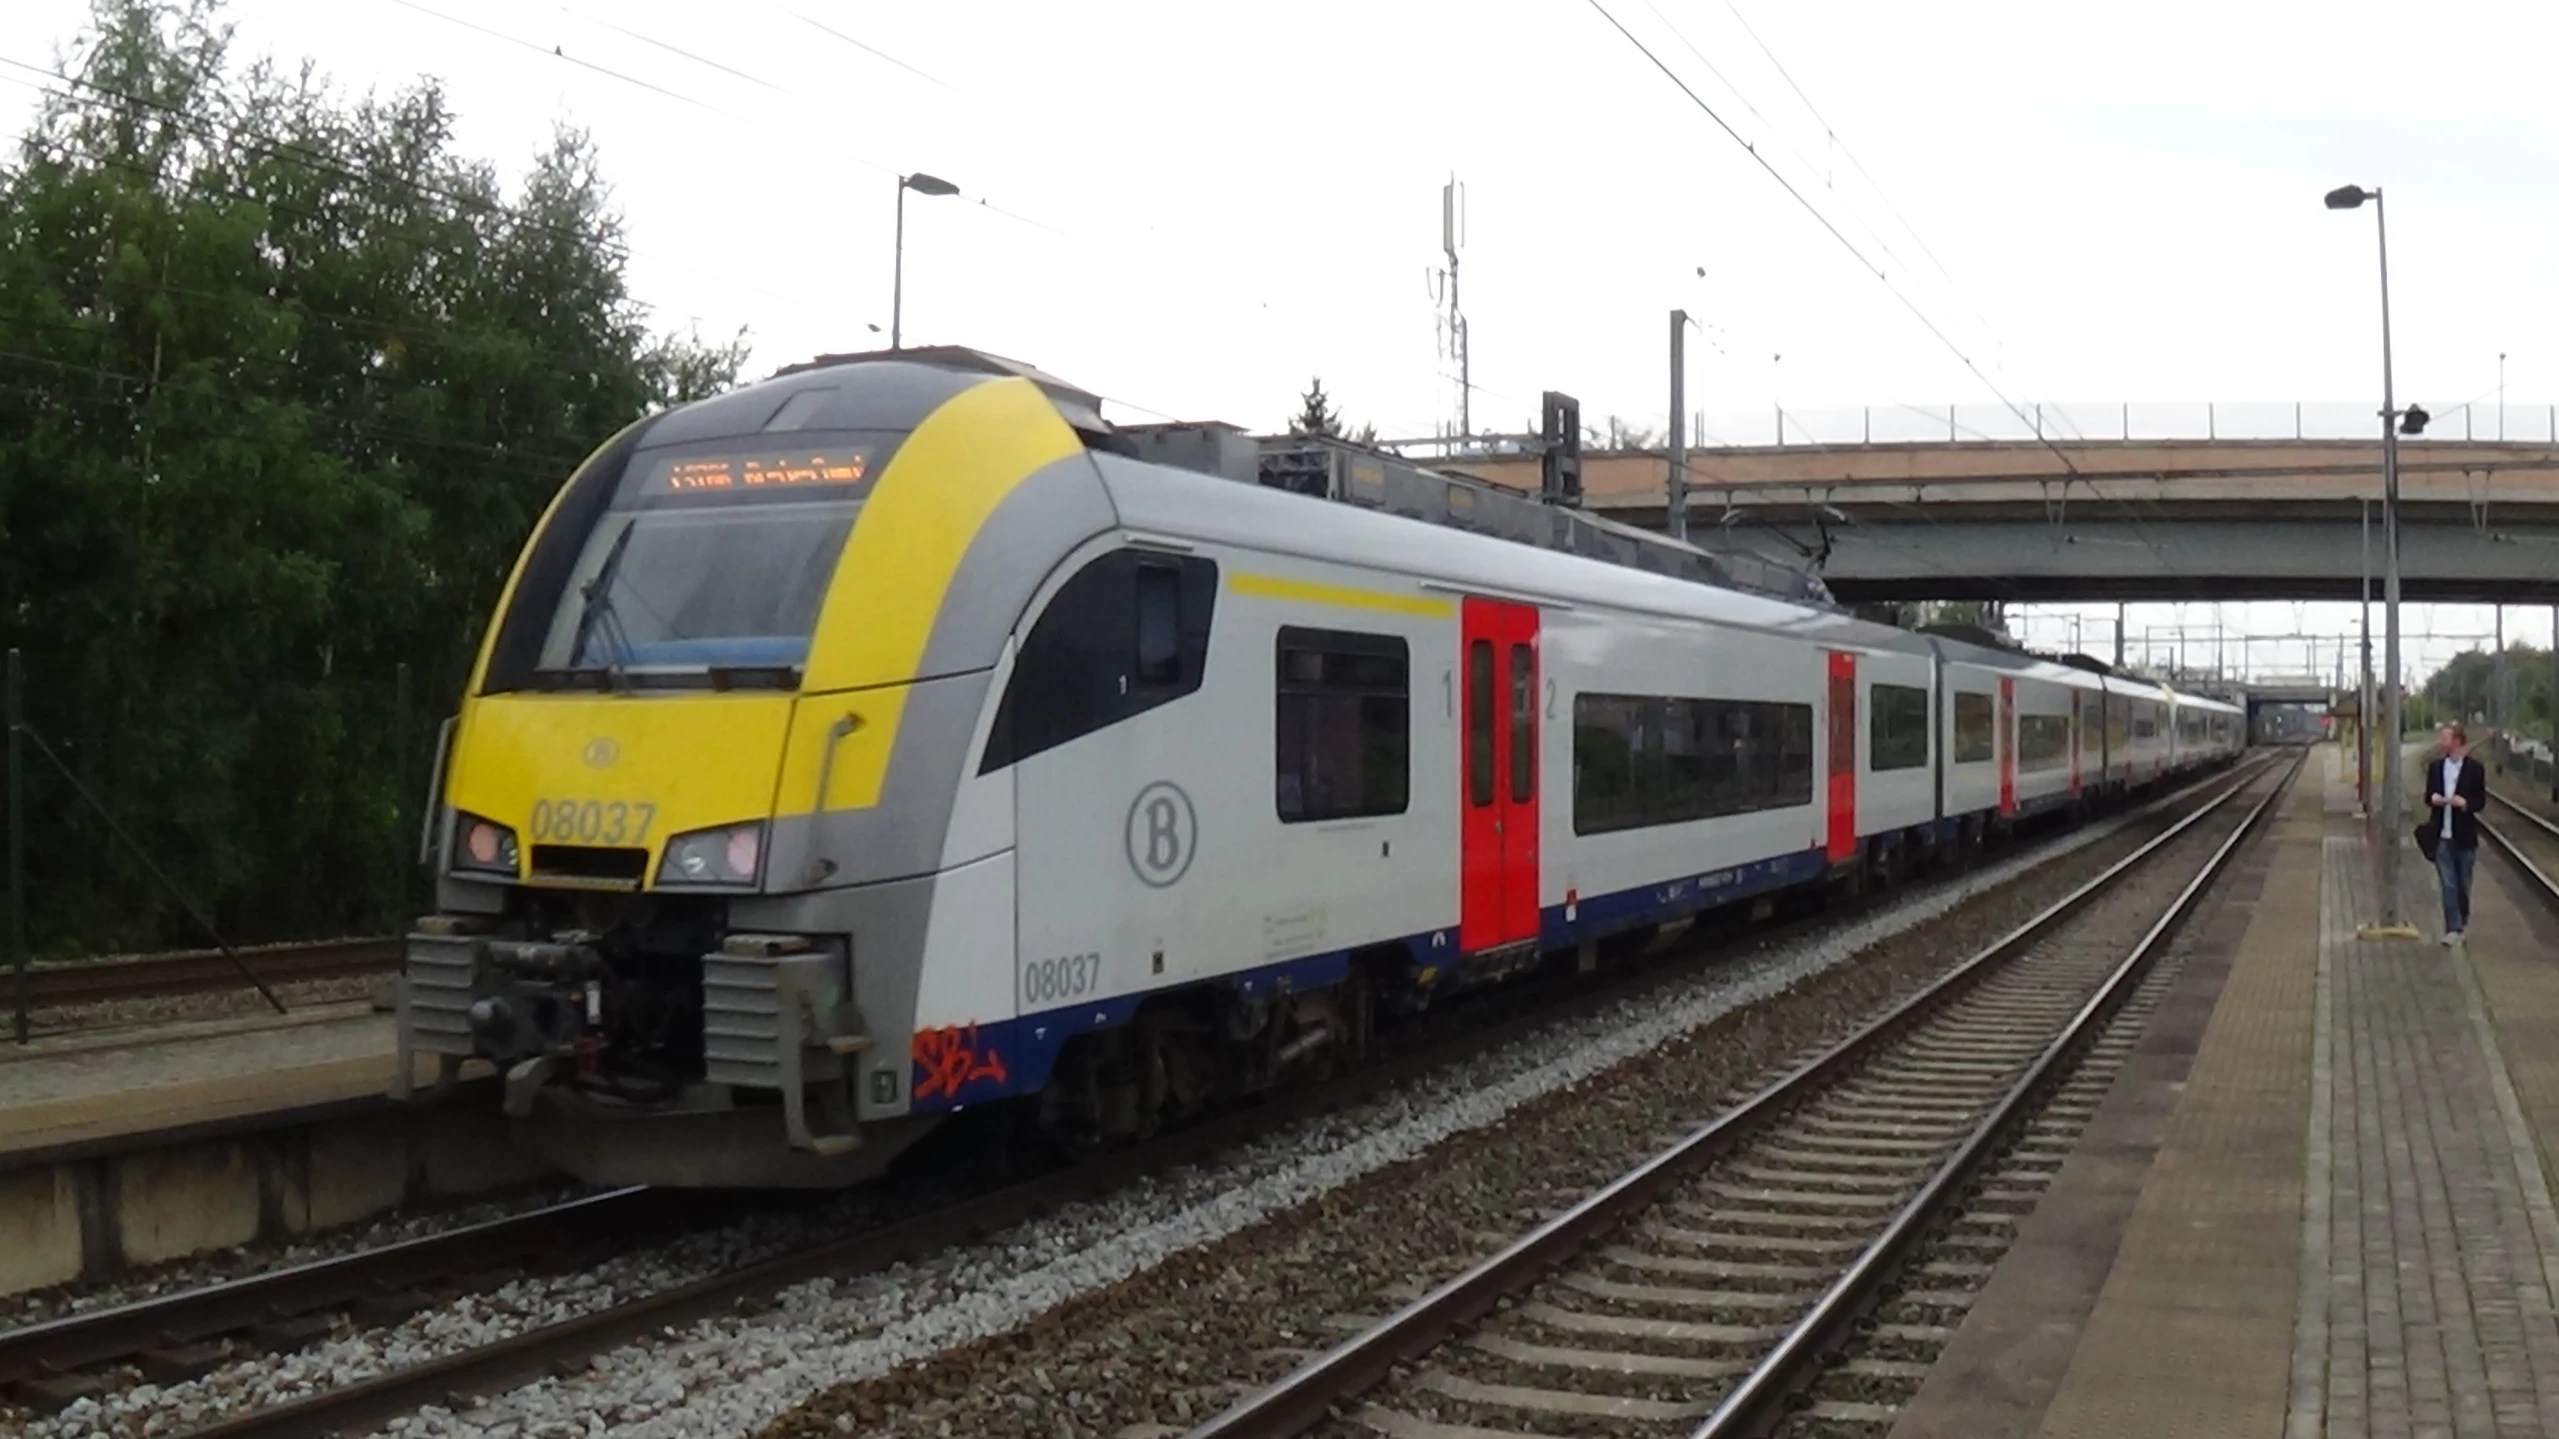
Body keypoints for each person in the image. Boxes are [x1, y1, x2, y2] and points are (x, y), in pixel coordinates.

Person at [2425, 722, 2489, 945]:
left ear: (2457, 742)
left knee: (2463, 883)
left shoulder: (2475, 769)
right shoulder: (2435, 768)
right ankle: (2452, 928)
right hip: (2442, 834)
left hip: (2465, 836)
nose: (2441, 741)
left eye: (2445, 737)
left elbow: (2480, 801)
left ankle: (2462, 919)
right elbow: (2428, 795)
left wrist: (2465, 803)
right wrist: (2434, 799)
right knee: (2448, 884)